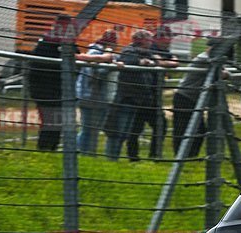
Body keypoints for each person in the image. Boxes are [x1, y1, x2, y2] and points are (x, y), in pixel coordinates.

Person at [27, 15, 97, 151]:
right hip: (47, 89)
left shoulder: (57, 40)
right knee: (51, 122)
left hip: (56, 89)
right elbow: (75, 57)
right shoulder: (51, 41)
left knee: (56, 122)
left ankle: (49, 149)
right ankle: (46, 149)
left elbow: (75, 57)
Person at [126, 26, 179, 161]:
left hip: (154, 96)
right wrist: (166, 62)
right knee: (136, 128)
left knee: (160, 125)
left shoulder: (163, 50)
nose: (170, 40)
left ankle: (154, 155)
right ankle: (133, 157)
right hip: (141, 93)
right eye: (168, 37)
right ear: (159, 37)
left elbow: (174, 63)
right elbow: (160, 62)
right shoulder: (150, 49)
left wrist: (169, 61)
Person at [104, 30, 156, 160]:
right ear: (141, 39)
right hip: (126, 99)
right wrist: (142, 62)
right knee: (117, 132)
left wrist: (149, 62)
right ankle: (111, 159)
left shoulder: (148, 53)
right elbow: (128, 60)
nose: (151, 42)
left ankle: (113, 159)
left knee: (125, 133)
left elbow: (157, 61)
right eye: (149, 39)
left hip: (138, 100)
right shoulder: (129, 50)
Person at [172, 37, 223, 158]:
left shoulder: (211, 59)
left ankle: (191, 155)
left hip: (193, 99)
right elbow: (221, 74)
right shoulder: (204, 58)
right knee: (182, 128)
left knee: (199, 129)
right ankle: (180, 156)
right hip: (184, 97)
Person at [75, 29, 118, 154]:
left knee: (94, 129)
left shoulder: (103, 53)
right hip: (89, 96)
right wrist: (111, 67)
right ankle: (83, 152)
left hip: (98, 97)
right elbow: (97, 73)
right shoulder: (95, 52)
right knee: (88, 129)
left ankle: (89, 153)